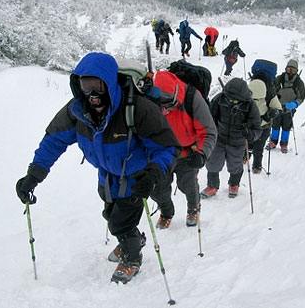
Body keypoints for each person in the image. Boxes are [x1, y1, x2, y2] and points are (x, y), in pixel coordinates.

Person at [15, 53, 181, 284]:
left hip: (136, 176)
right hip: (106, 175)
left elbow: (168, 147)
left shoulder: (137, 108)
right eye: (86, 86)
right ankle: (131, 239)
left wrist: (153, 172)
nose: (93, 95)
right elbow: (53, 140)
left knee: (120, 222)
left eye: (98, 86)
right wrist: (33, 176)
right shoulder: (77, 112)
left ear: (110, 83)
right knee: (110, 214)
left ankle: (132, 257)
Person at [151, 70, 217, 229]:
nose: (165, 110)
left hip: (188, 152)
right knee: (157, 188)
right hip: (160, 153)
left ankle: (193, 207)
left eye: (169, 104)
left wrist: (201, 154)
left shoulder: (192, 98)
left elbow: (209, 132)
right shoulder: (150, 99)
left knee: (187, 185)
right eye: (161, 105)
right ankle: (166, 212)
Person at [201, 78, 261, 199]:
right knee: (213, 163)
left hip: (238, 142)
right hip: (219, 138)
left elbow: (257, 128)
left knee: (235, 165)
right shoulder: (219, 99)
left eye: (235, 100)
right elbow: (210, 117)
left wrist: (250, 135)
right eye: (229, 98)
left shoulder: (250, 105)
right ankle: (212, 186)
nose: (232, 101)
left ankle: (234, 184)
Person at [247, 60, 282, 174]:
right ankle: (256, 167)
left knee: (249, 143)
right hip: (264, 125)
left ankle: (246, 159)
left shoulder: (249, 88)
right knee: (258, 147)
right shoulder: (271, 92)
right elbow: (278, 108)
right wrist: (271, 114)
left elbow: (277, 109)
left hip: (252, 123)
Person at [269, 59, 305, 153]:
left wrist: (295, 103)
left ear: (296, 71)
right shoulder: (279, 79)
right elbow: (272, 90)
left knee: (286, 126)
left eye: (293, 70)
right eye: (289, 69)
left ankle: (284, 144)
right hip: (277, 106)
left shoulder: (299, 82)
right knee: (275, 125)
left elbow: (301, 96)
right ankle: (273, 142)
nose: (290, 72)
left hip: (289, 109)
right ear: (286, 69)